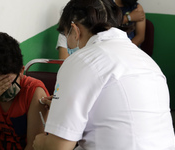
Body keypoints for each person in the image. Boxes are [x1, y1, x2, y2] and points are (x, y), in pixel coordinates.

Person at [33, 0, 175, 149]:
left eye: (66, 33)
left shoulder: (81, 60)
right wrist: (63, 105)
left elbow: (58, 147)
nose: (68, 44)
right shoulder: (146, 60)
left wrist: (41, 142)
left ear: (75, 30)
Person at [0, 32, 50, 150]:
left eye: (5, 83)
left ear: (21, 71)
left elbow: (34, 145)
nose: (0, 90)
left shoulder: (34, 92)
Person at [56, 0, 145, 59]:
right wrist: (127, 18)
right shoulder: (68, 30)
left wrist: (123, 51)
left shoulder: (135, 7)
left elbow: (140, 36)